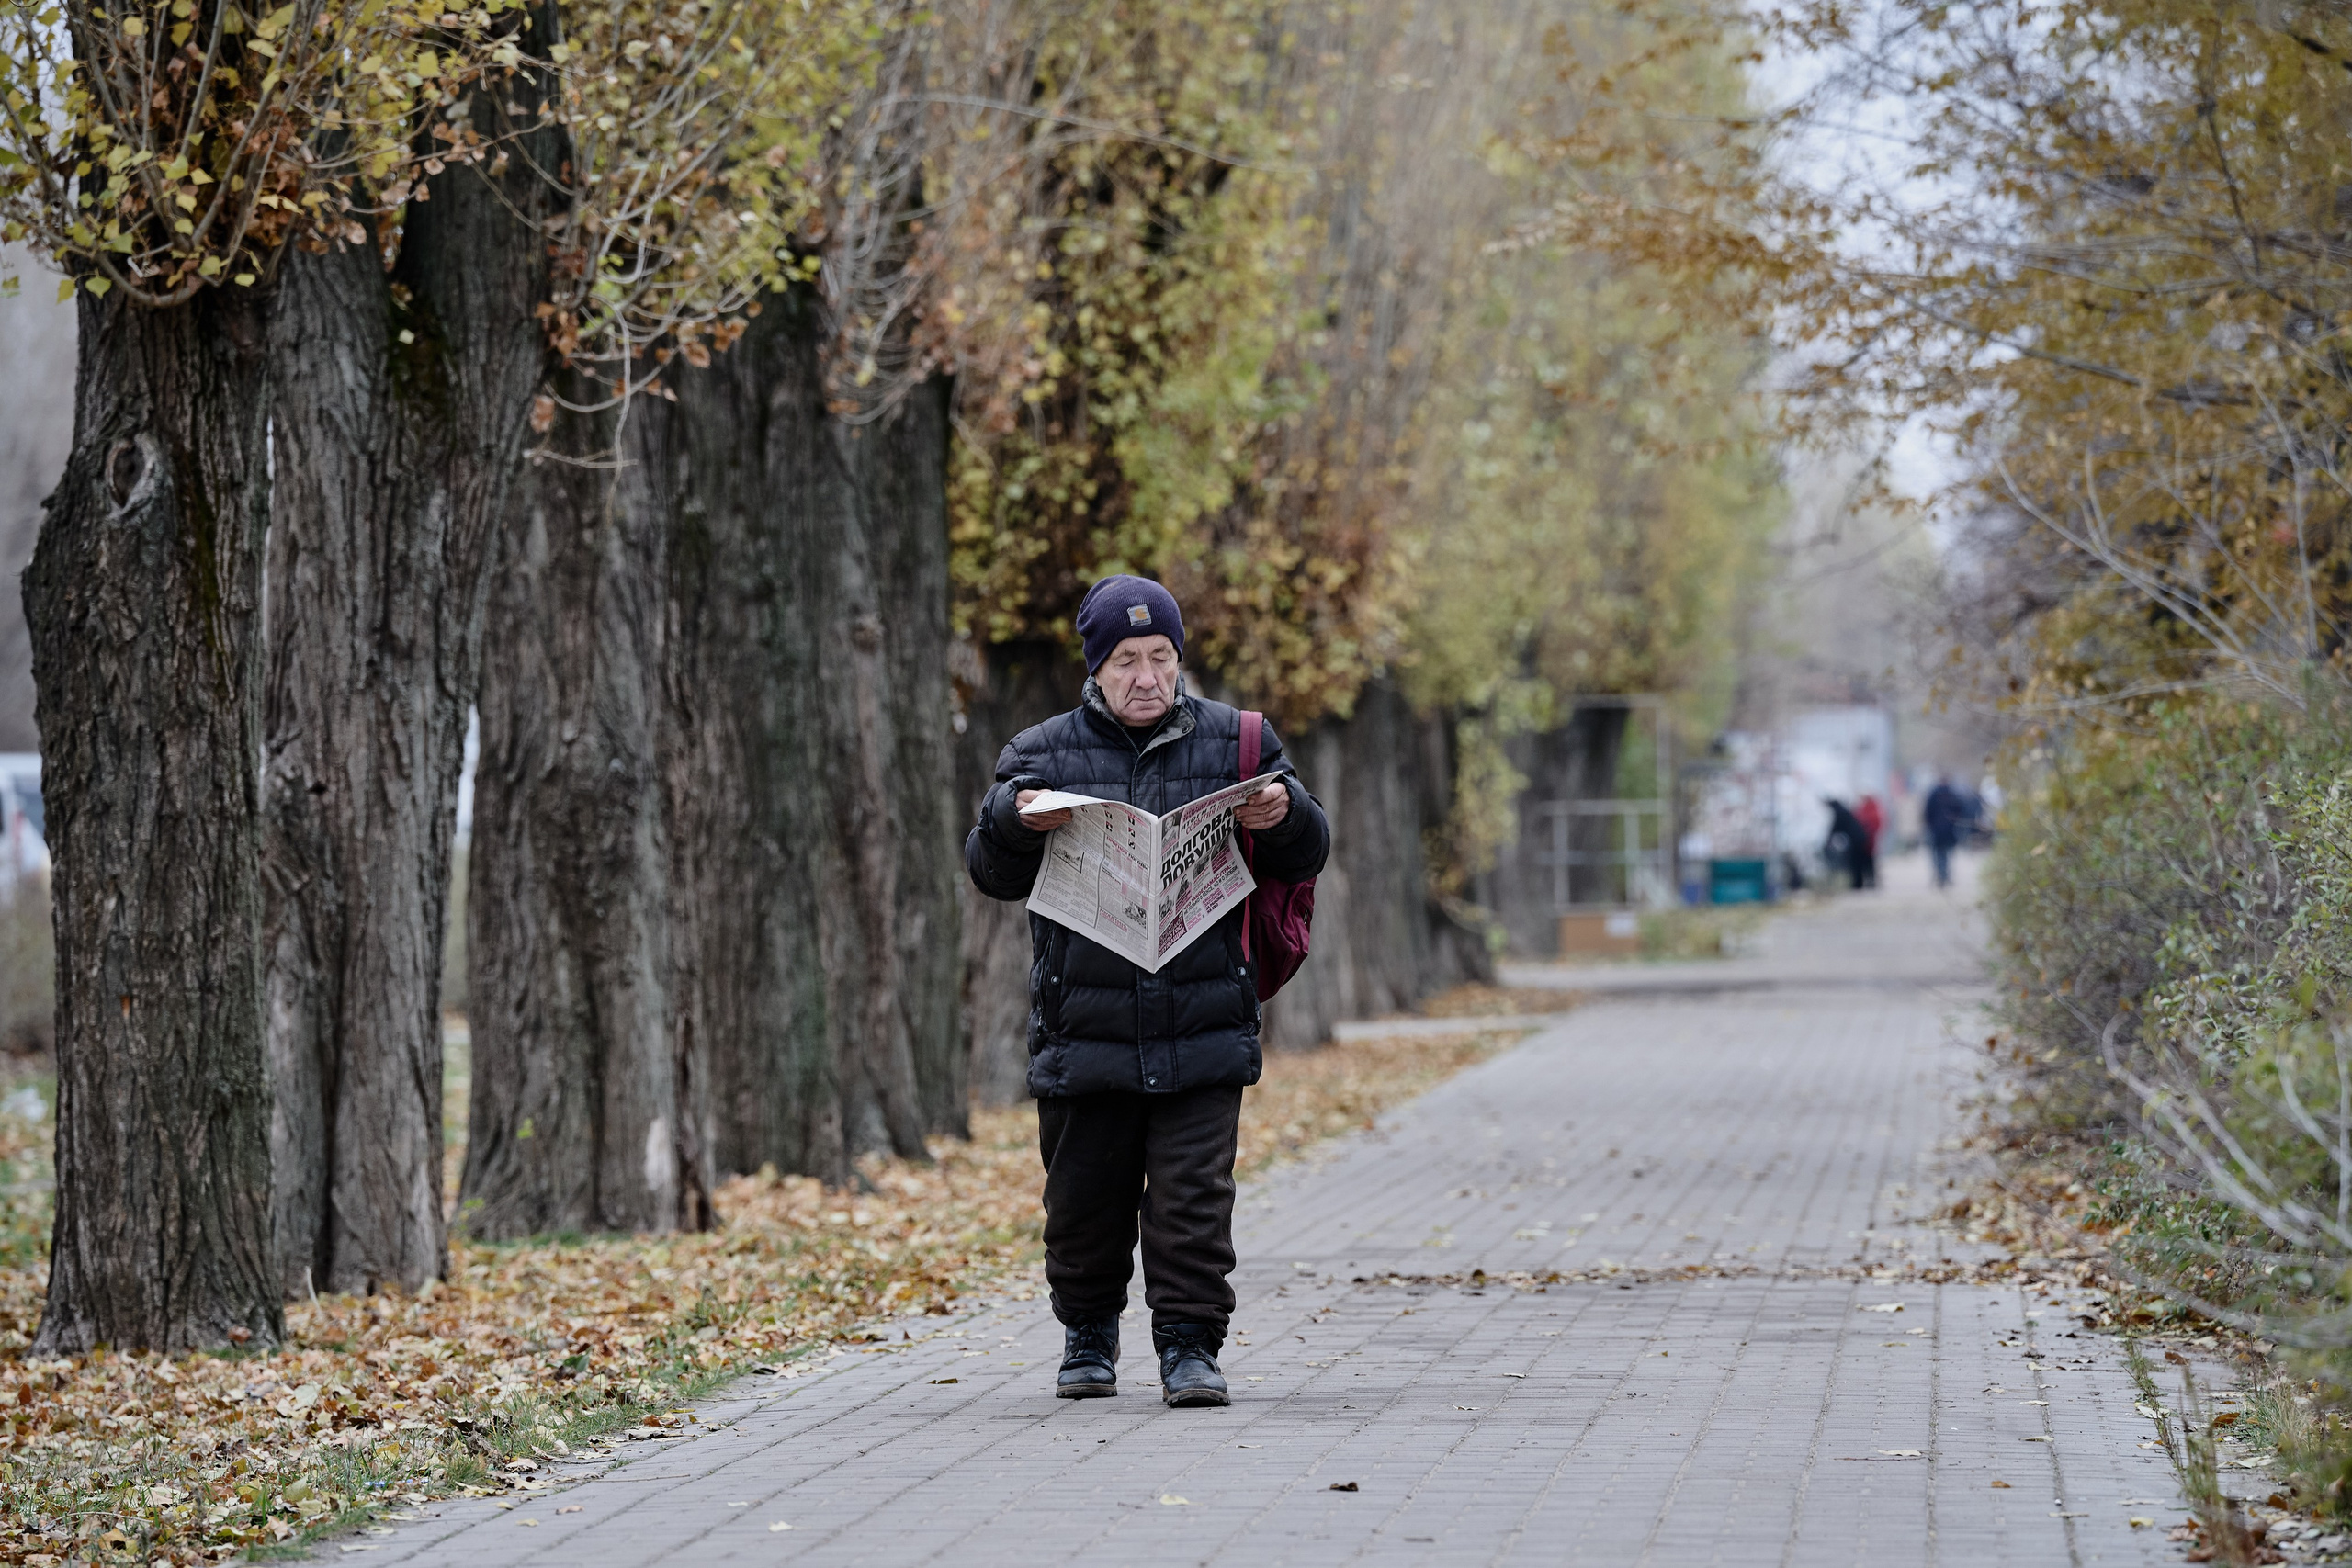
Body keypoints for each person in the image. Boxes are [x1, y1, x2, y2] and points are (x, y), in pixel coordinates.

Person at [965, 575, 1331, 1408]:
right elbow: (989, 871)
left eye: (1161, 657)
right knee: (1083, 1197)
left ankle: (1189, 1346)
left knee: (1194, 1198)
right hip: (1084, 1024)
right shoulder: (1041, 753)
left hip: (1203, 1016)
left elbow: (1307, 850)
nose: (1147, 676)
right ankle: (1087, 1335)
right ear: (1095, 669)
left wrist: (1286, 811)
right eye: (1126, 660)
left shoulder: (1239, 741)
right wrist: (1012, 821)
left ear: (1179, 659)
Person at [1923, 775, 1968, 889]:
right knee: (1947, 854)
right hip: (1949, 830)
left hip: (1936, 830)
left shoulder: (1933, 794)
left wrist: (1929, 825)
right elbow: (1961, 810)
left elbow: (1927, 812)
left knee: (1938, 854)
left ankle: (1940, 875)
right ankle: (1944, 875)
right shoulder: (1952, 794)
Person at [1823, 798, 1871, 890]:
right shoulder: (1843, 811)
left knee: (1855, 862)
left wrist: (1827, 840)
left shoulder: (1840, 813)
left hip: (1856, 839)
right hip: (1859, 838)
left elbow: (1835, 828)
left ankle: (1857, 884)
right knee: (1858, 862)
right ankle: (1859, 883)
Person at [1853, 795, 1884, 889]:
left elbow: (1875, 823)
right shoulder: (1864, 809)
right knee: (1867, 861)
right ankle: (1868, 880)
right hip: (1865, 839)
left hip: (1868, 840)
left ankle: (1870, 880)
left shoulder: (1870, 809)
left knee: (1869, 861)